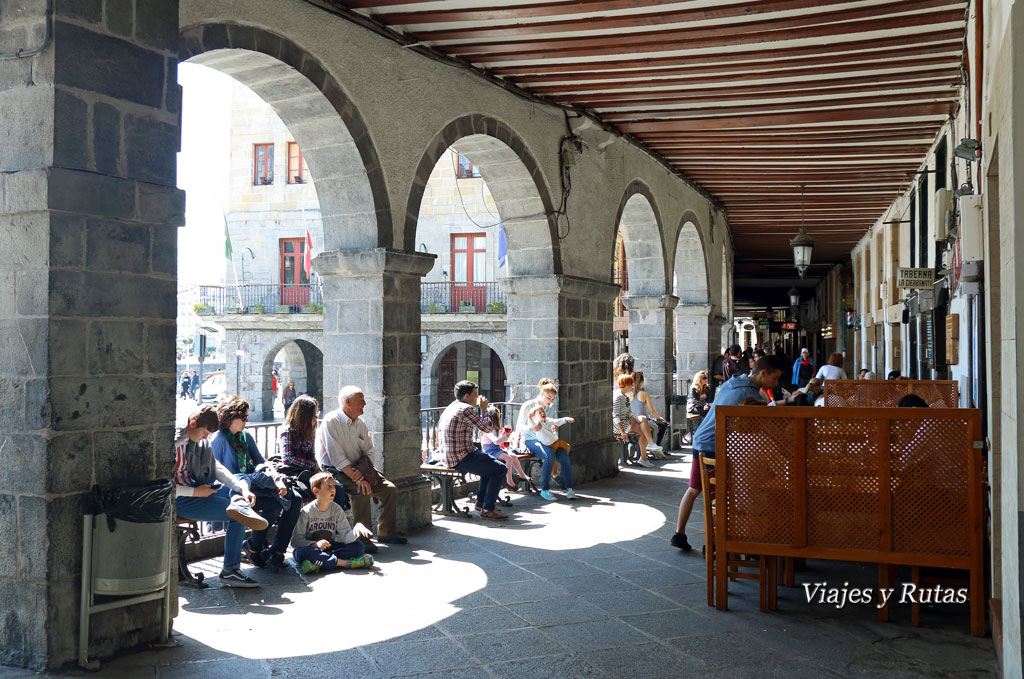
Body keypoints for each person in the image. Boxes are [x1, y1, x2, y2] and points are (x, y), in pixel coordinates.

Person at [670, 354, 786, 552]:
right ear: (764, 373)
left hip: (701, 439)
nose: (775, 383)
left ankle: (679, 534)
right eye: (774, 378)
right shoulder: (750, 395)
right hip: (715, 444)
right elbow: (761, 426)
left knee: (695, 488)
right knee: (719, 494)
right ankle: (714, 543)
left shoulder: (735, 381)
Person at [173, 405, 268, 588]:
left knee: (241, 479)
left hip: (198, 490)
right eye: (205, 432)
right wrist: (196, 492)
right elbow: (166, 486)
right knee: (237, 516)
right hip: (182, 498)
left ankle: (239, 501)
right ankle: (230, 570)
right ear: (192, 424)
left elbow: (217, 468)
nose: (206, 437)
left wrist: (242, 490)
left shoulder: (200, 442)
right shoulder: (173, 444)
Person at [212, 395, 302, 568]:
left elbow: (261, 461)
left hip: (255, 484)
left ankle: (275, 550)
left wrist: (276, 479)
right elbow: (216, 471)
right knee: (274, 506)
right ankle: (254, 547)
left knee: (295, 498)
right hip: (236, 490)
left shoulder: (245, 436)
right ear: (231, 417)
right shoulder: (219, 439)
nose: (247, 420)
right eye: (244, 417)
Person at [315, 386, 407, 551]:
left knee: (389, 489)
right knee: (361, 490)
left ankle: (386, 531)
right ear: (348, 402)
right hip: (337, 471)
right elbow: (337, 458)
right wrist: (358, 478)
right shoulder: (331, 421)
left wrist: (363, 473)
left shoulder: (361, 423)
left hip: (361, 469)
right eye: (361, 400)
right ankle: (362, 538)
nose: (364, 403)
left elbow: (369, 451)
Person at [437, 380, 508, 520]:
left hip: (450, 454)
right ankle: (488, 509)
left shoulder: (451, 406)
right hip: (460, 457)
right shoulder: (466, 409)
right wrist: (484, 409)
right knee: (500, 469)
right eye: (475, 394)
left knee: (491, 464)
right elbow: (487, 428)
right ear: (467, 396)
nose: (478, 397)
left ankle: (481, 502)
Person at [291, 472, 373, 574]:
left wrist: (356, 530)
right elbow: (295, 542)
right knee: (301, 553)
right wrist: (314, 544)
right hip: (312, 549)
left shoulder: (336, 509)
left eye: (333, 486)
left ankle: (318, 564)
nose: (333, 489)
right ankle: (347, 563)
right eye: (328, 486)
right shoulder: (306, 512)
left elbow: (345, 538)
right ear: (316, 491)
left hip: (329, 549)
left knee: (358, 547)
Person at [516, 380, 578, 499]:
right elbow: (519, 427)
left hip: (547, 440)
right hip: (530, 439)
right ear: (542, 393)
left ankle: (570, 489)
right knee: (549, 455)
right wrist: (532, 427)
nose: (550, 402)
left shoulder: (550, 407)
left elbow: (553, 422)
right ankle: (545, 490)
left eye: (552, 399)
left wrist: (553, 428)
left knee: (564, 456)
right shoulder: (528, 405)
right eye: (548, 398)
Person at [612, 374, 656, 468]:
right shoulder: (619, 397)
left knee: (643, 419)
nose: (632, 386)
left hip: (626, 422)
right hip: (620, 425)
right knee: (644, 431)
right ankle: (645, 456)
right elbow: (615, 416)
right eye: (631, 384)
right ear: (626, 384)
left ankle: (648, 447)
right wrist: (623, 432)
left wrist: (633, 418)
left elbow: (629, 411)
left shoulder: (625, 395)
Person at [481, 406, 529, 491]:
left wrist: (507, 437)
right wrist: (506, 436)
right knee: (508, 459)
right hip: (489, 451)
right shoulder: (488, 429)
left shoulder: (493, 429)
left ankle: (522, 475)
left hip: (495, 450)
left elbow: (498, 442)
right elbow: (496, 441)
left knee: (513, 456)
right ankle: (509, 481)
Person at [629, 369, 668, 457]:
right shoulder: (644, 393)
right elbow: (652, 410)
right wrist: (659, 417)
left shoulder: (628, 393)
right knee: (662, 425)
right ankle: (655, 446)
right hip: (642, 419)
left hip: (632, 420)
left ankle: (638, 446)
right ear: (642, 382)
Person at [684, 370, 712, 444]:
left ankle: (706, 431)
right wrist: (705, 405)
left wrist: (708, 405)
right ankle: (703, 432)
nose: (706, 379)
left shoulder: (707, 388)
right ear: (699, 379)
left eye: (706, 378)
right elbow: (694, 400)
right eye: (704, 378)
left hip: (704, 406)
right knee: (705, 413)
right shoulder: (693, 388)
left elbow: (709, 399)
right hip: (694, 406)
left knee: (711, 412)